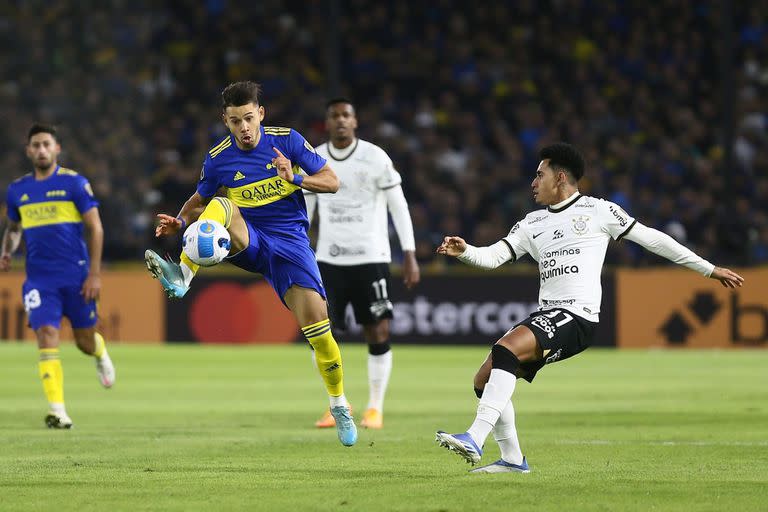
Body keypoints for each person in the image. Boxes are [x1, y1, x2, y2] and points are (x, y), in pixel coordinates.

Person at [434, 142, 744, 473]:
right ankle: (512, 459)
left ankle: (475, 437)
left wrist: (708, 269)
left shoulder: (599, 211)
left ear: (561, 177)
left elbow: (654, 239)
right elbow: (494, 256)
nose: (533, 183)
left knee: (506, 348)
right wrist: (466, 250)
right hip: (548, 314)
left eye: (540, 175)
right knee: (484, 379)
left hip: (577, 316)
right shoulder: (531, 223)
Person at [144, 81, 357, 446]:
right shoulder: (218, 158)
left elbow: (332, 181)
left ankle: (339, 404)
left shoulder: (287, 141)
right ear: (224, 122)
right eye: (234, 121)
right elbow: (201, 198)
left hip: (291, 246)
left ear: (260, 113)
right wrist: (181, 221)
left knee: (321, 336)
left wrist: (295, 178)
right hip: (249, 238)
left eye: (248, 118)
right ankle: (183, 272)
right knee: (224, 207)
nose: (243, 127)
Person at [304, 98, 420, 430]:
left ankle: (375, 407)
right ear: (326, 123)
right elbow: (306, 210)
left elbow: (399, 206)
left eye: (346, 115)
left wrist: (409, 253)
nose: (341, 120)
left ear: (355, 122)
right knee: (320, 333)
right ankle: (335, 403)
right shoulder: (316, 159)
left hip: (372, 257)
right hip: (328, 259)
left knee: (378, 330)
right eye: (334, 116)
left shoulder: (375, 157)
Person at [1, 124, 115, 429]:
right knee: (46, 335)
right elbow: (14, 229)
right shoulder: (17, 191)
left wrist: (94, 275)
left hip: (77, 277)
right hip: (40, 280)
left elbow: (97, 228)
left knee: (84, 342)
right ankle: (58, 410)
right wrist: (7, 250)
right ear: (28, 150)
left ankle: (100, 350)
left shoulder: (75, 184)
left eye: (46, 145)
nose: (41, 150)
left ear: (56, 149)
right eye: (35, 145)